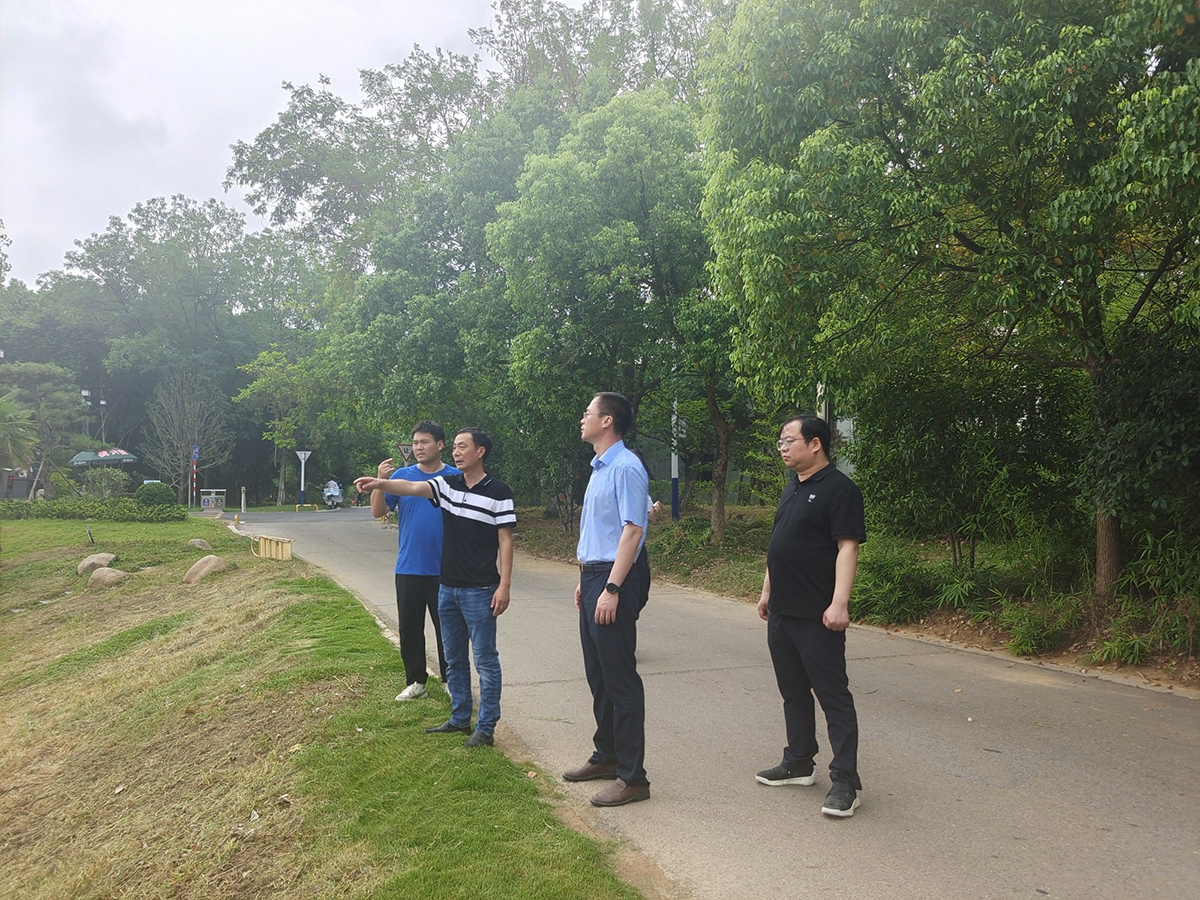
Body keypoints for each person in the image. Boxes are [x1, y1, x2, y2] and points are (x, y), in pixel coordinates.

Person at [355, 427, 515, 748]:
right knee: (454, 658)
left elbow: (506, 540)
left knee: (484, 660)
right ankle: (459, 718)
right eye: (454, 447)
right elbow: (411, 487)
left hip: (479, 588)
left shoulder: (498, 491)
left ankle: (485, 728)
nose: (456, 452)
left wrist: (504, 585)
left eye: (462, 446)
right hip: (447, 587)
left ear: (480, 451)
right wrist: (380, 483)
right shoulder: (447, 484)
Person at [755, 414, 867, 817]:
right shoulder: (793, 487)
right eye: (780, 442)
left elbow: (847, 547)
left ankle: (846, 781)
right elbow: (779, 544)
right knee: (793, 691)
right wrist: (767, 591)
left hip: (817, 615)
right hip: (782, 612)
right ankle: (799, 761)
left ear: (815, 444)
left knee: (833, 696)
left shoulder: (840, 489)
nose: (783, 448)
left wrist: (840, 603)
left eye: (789, 440)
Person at [564, 392, 652, 807]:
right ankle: (607, 756)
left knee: (620, 679)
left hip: (614, 577)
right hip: (594, 575)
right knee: (598, 675)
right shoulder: (599, 467)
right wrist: (586, 579)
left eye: (588, 413)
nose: (582, 419)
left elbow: (632, 531)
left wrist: (612, 588)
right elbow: (599, 531)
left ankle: (633, 778)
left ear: (607, 421)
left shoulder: (626, 467)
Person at [369, 421, 458, 702]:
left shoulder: (456, 477)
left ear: (440, 445)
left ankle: (452, 680)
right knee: (410, 628)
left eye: (425, 442)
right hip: (409, 565)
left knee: (448, 630)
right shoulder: (401, 476)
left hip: (447, 568)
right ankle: (416, 682)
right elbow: (378, 511)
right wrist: (379, 481)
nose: (418, 447)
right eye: (415, 443)